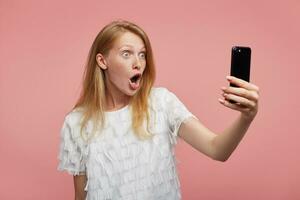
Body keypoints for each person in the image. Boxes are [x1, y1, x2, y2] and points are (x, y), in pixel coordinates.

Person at [57, 19, 259, 200]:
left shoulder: (161, 103)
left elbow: (217, 149)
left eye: (142, 54)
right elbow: (80, 196)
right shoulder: (76, 123)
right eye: (126, 54)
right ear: (102, 61)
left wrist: (247, 117)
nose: (138, 63)